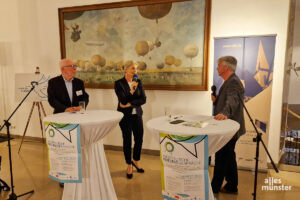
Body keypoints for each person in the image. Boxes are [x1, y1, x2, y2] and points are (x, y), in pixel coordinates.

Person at [47, 58, 89, 187]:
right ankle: (63, 177)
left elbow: (85, 97)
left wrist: (81, 106)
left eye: (75, 66)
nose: (75, 68)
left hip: (76, 119)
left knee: (75, 147)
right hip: (60, 119)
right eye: (72, 66)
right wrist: (65, 109)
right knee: (63, 149)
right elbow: (52, 100)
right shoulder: (53, 82)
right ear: (62, 69)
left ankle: (76, 173)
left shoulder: (79, 82)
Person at [211, 56, 245, 194]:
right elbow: (227, 99)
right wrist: (216, 100)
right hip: (228, 127)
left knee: (222, 156)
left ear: (226, 67)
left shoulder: (233, 82)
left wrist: (225, 112)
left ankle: (213, 188)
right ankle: (232, 185)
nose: (217, 68)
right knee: (229, 156)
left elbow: (232, 101)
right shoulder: (228, 81)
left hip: (230, 129)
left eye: (219, 65)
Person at [114, 62, 146, 179]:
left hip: (137, 115)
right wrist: (131, 91)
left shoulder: (139, 81)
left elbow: (143, 99)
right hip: (125, 117)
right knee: (127, 140)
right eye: (133, 68)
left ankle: (136, 160)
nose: (135, 71)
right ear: (125, 69)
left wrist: (130, 104)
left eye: (136, 69)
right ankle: (129, 164)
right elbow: (122, 100)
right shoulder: (118, 83)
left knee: (139, 139)